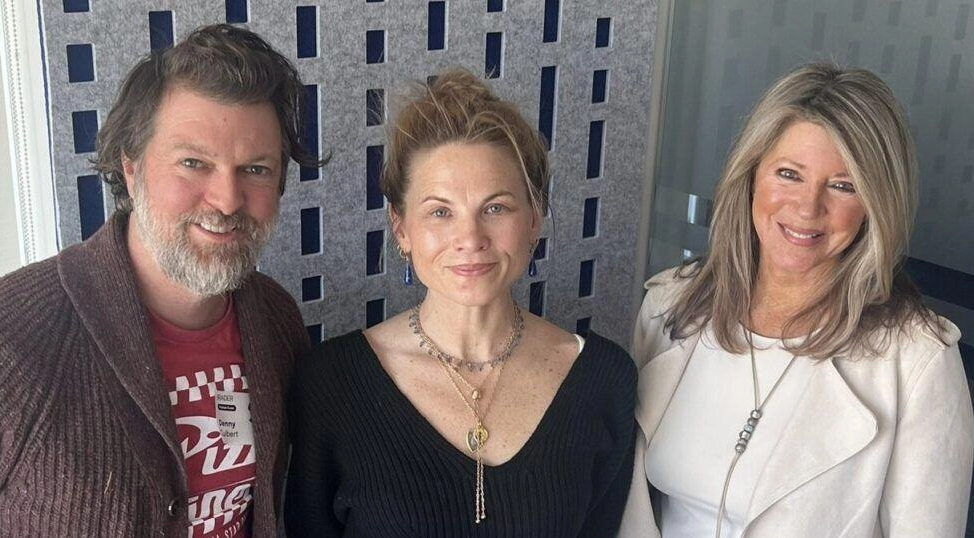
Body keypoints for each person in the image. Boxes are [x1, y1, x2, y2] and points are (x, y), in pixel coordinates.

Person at [0, 24, 317, 537]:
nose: (227, 199)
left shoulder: (277, 322)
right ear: (131, 167)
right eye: (193, 163)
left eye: (255, 169)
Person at [619, 63, 974, 537]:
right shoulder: (670, 305)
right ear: (751, 176)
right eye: (789, 174)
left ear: (875, 204)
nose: (808, 208)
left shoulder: (918, 361)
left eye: (843, 186)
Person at [285, 68, 637, 536]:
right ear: (401, 228)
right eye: (440, 212)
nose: (470, 238)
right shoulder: (331, 383)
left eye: (495, 208)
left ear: (534, 218)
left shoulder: (604, 380)